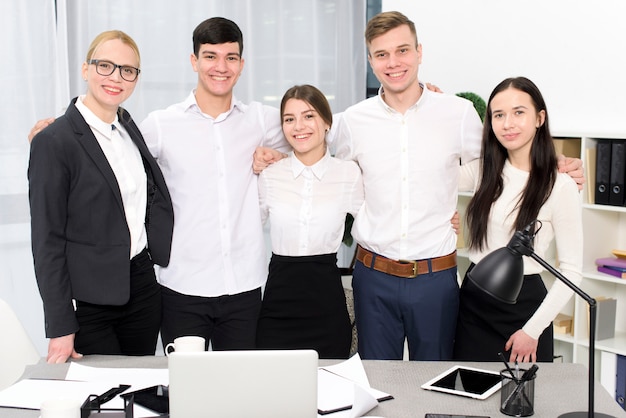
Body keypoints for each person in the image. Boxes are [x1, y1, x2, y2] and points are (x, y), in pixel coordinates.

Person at [254, 10, 583, 361]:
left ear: (419, 52)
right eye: (381, 54)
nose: (393, 63)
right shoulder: (353, 122)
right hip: (373, 277)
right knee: (376, 380)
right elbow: (311, 144)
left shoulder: (456, 114)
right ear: (370, 61)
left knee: (436, 380)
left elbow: (500, 158)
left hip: (435, 278)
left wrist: (557, 163)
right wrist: (273, 156)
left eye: (402, 51)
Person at [137, 17, 289, 351]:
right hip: (181, 286)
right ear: (194, 61)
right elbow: (112, 154)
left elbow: (316, 137)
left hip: (244, 287)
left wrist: (278, 158)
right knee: (183, 393)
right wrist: (55, 134)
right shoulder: (162, 124)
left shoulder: (262, 121)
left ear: (241, 64)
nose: (221, 67)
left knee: (239, 394)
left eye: (230, 57)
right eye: (210, 56)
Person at [28, 30, 174, 364]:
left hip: (141, 287)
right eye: (105, 65)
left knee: (141, 394)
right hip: (91, 301)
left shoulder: (126, 126)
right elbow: (47, 242)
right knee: (101, 402)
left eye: (127, 70)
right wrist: (60, 325)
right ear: (85, 69)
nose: (116, 78)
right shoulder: (54, 141)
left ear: (136, 78)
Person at [453, 77, 582, 363]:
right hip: (474, 301)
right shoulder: (482, 171)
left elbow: (573, 271)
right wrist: (432, 103)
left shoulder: (560, 185)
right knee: (469, 399)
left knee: (522, 403)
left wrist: (532, 331)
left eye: (518, 112)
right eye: (499, 115)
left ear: (540, 117)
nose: (508, 123)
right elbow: (430, 171)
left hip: (525, 310)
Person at [256, 85, 363, 359]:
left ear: (327, 122)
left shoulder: (348, 174)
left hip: (326, 299)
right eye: (289, 119)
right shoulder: (270, 175)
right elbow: (240, 227)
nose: (298, 126)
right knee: (274, 389)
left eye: (309, 116)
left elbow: (377, 221)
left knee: (328, 387)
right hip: (279, 298)